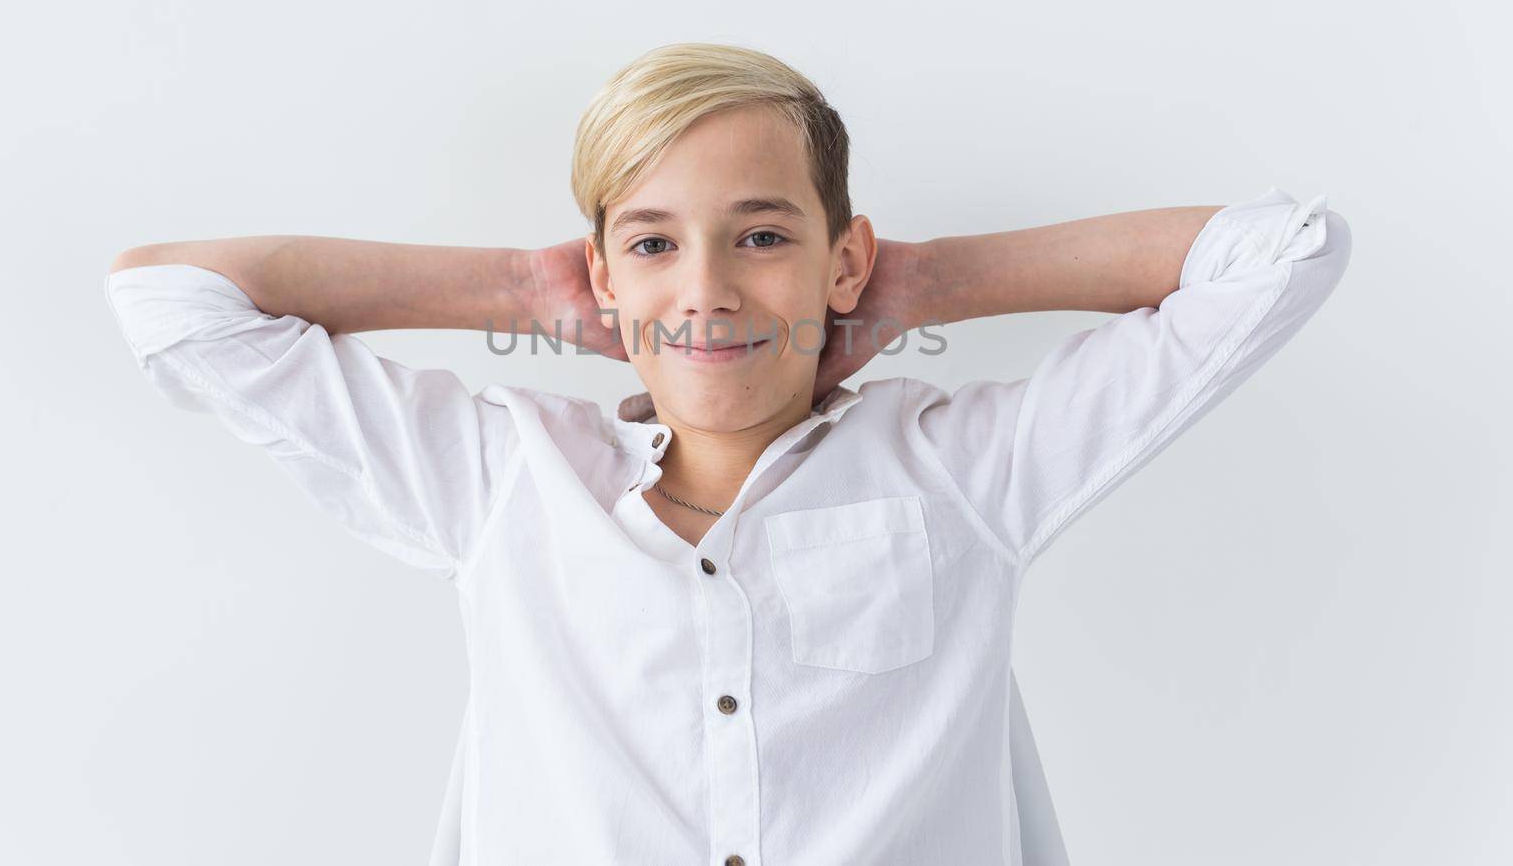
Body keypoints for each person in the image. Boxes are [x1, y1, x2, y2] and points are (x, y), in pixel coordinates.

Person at [104, 42, 1352, 865]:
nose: (705, 286)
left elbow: (1280, 252)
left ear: (839, 256)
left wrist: (921, 286)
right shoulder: (501, 481)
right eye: (651, 244)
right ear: (601, 271)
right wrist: (528, 290)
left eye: (760, 236)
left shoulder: (963, 474)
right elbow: (171, 299)